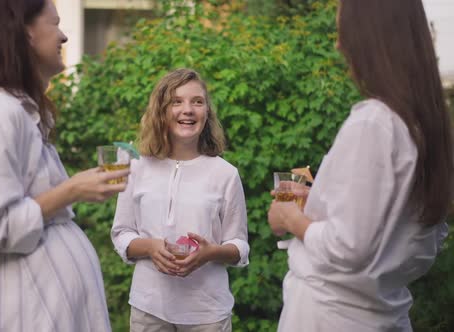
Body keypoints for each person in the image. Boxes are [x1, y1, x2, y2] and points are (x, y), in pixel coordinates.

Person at [0, 1, 129, 331]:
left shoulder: (24, 117)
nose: (64, 36)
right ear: (26, 32)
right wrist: (71, 190)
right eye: (55, 24)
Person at [267, 0, 453, 331]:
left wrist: (291, 216)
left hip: (327, 316)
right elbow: (417, 237)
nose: (339, 43)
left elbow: (348, 246)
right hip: (384, 313)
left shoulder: (374, 122)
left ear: (370, 37)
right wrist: (317, 199)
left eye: (343, 31)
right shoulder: (425, 126)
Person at [111, 68, 250, 331]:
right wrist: (151, 247)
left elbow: (239, 245)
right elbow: (121, 233)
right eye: (176, 101)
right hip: (148, 308)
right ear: (161, 111)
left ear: (206, 112)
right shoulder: (137, 167)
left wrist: (212, 253)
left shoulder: (225, 174)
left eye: (197, 101)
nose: (188, 109)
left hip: (208, 313)